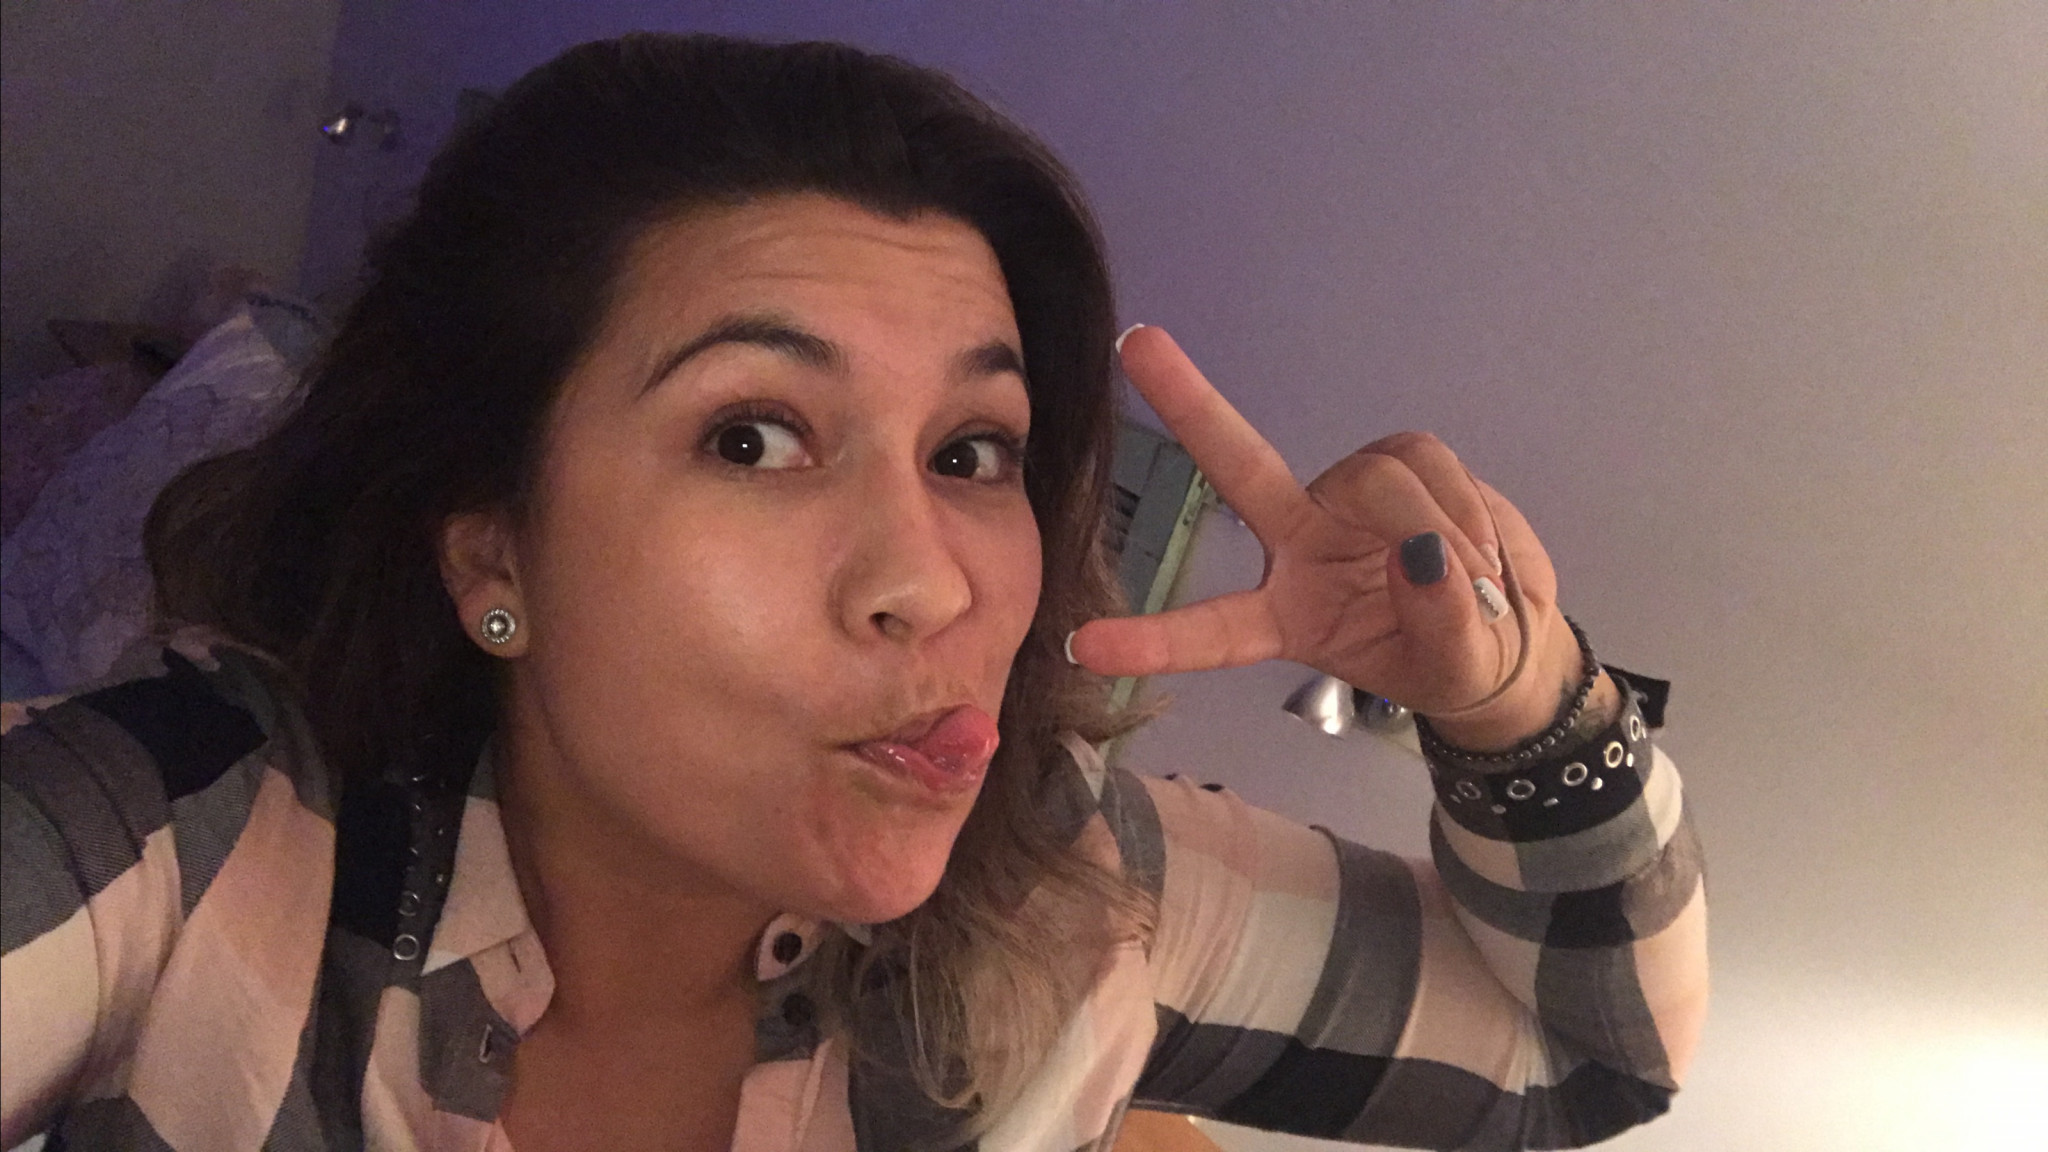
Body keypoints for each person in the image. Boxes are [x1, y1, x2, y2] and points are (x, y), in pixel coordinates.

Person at [0, 32, 1707, 1152]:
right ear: (494, 550)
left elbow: (1587, 1056)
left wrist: (1516, 703)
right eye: (752, 437)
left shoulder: (1070, 887)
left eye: (972, 451)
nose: (926, 581)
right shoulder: (184, 849)